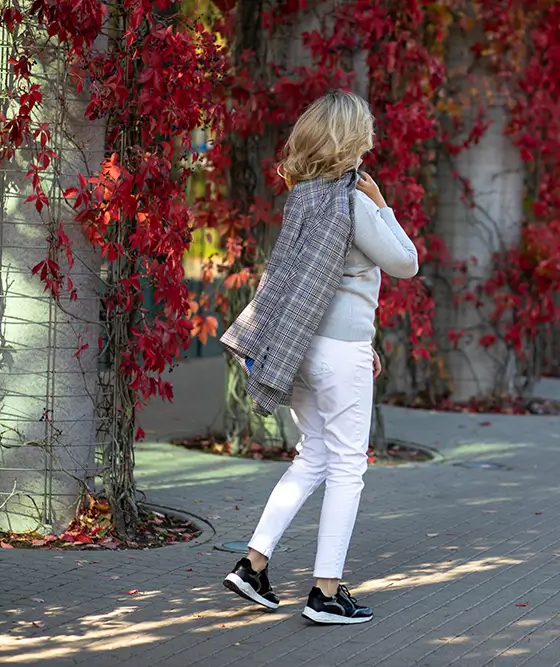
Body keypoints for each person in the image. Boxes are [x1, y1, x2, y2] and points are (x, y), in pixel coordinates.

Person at [219, 90, 419, 625]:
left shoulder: (305, 196)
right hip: (338, 352)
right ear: (353, 140)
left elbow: (313, 281)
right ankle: (325, 591)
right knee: (348, 465)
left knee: (313, 456)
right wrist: (383, 205)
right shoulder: (354, 200)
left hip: (299, 344)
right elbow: (406, 262)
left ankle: (253, 564)